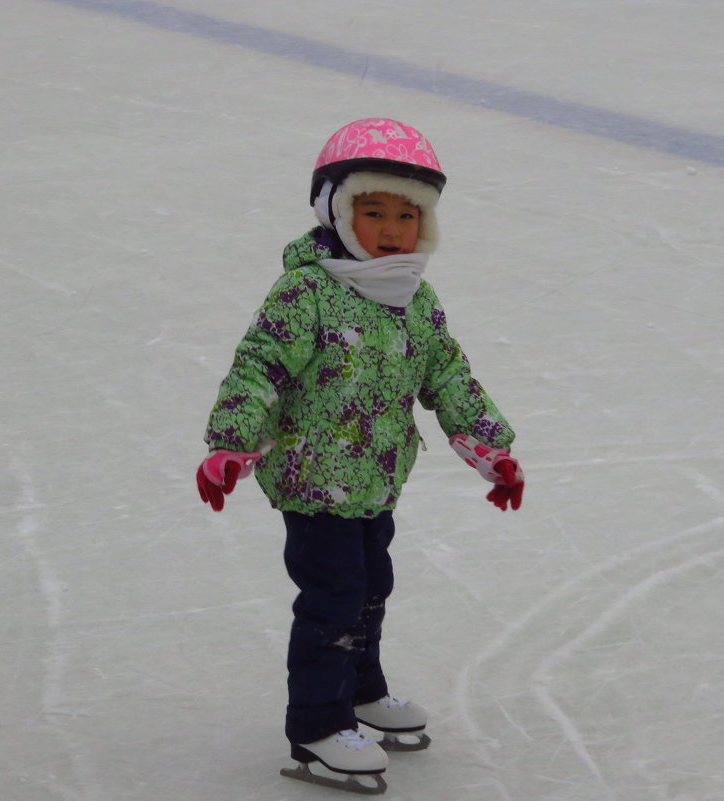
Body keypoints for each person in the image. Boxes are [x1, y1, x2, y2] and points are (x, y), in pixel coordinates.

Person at [195, 118, 525, 789]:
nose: (392, 229)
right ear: (336, 211)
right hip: (312, 482)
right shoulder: (307, 290)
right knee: (334, 597)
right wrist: (231, 445)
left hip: (375, 480)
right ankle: (318, 726)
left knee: (372, 587)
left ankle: (362, 689)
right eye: (373, 211)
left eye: (408, 215)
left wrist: (492, 447)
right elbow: (259, 368)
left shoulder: (415, 299)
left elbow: (449, 376)